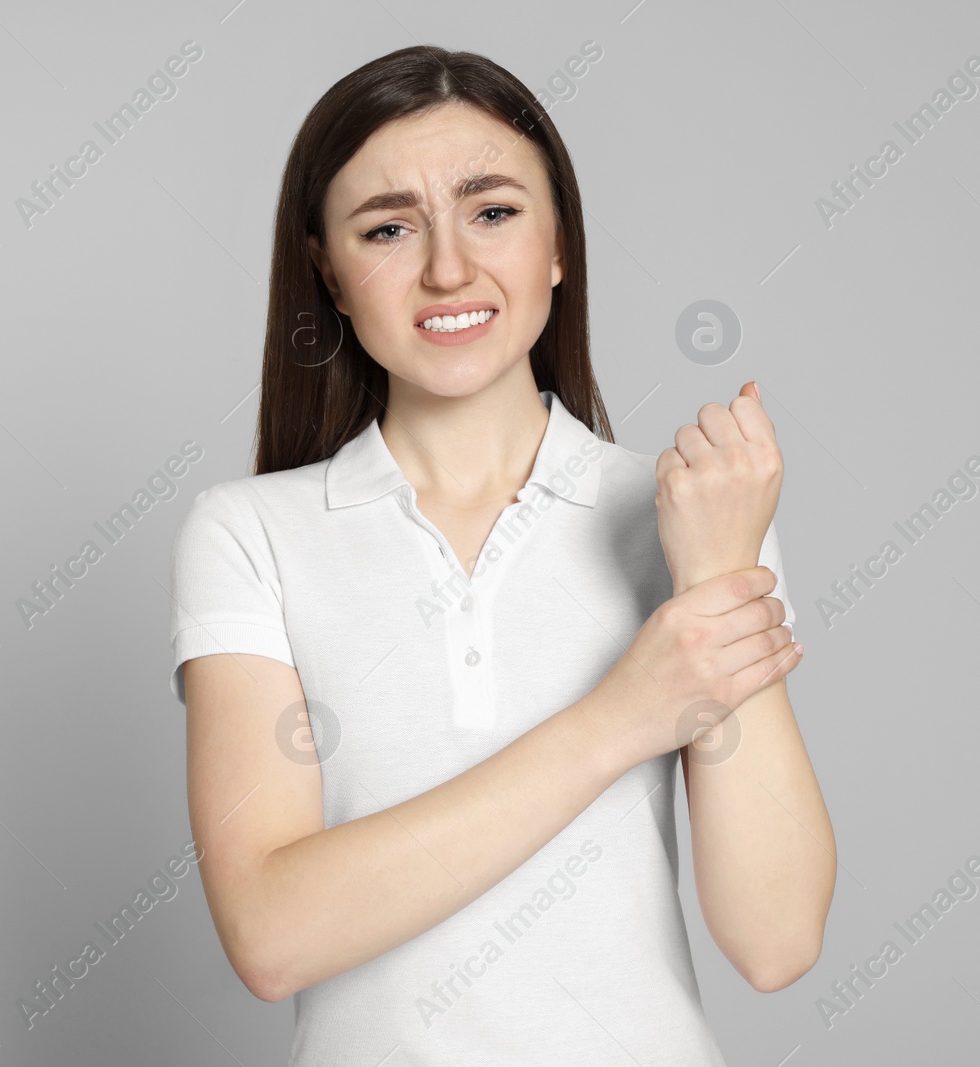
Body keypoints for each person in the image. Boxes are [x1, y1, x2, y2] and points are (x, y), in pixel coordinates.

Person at [167, 44, 835, 1066]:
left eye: (493, 211)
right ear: (330, 276)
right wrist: (621, 716)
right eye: (388, 228)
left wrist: (714, 573)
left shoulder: (686, 513)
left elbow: (776, 938)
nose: (446, 268)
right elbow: (272, 933)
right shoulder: (249, 533)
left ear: (558, 244)